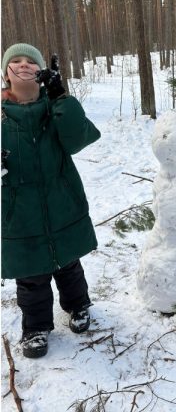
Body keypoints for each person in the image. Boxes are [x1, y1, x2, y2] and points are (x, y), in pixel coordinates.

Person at [1, 43, 101, 358]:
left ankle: (79, 305)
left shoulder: (55, 108)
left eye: (31, 61)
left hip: (62, 204)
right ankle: (35, 328)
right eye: (16, 61)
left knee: (68, 262)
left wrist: (60, 96)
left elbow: (78, 138)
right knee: (30, 275)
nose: (23, 65)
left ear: (41, 72)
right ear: (6, 74)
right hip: (19, 213)